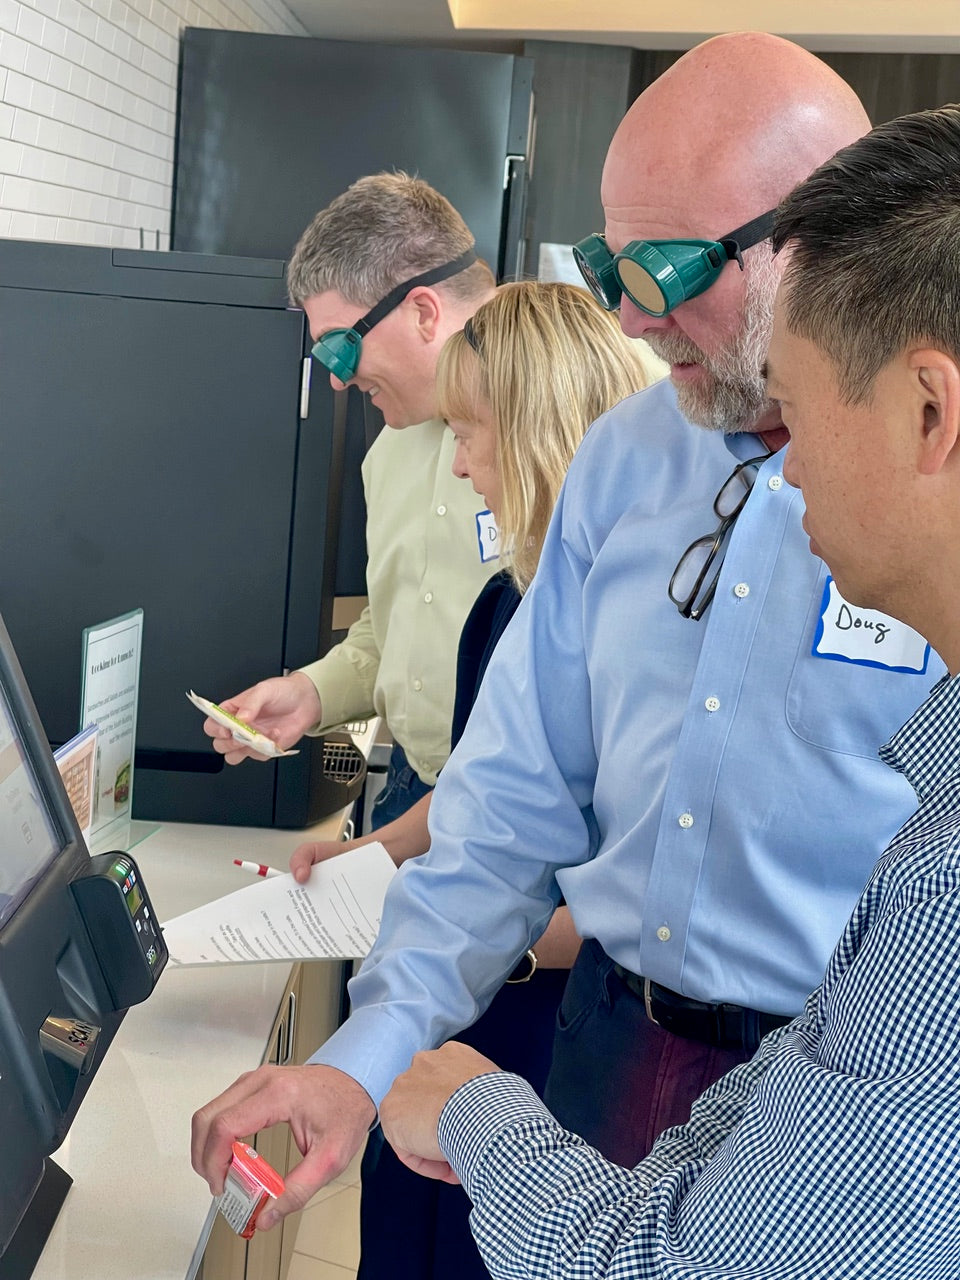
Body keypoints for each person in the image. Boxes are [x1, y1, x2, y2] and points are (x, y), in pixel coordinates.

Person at [191, 33, 944, 1228]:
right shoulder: (626, 462)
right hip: (605, 1036)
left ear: (833, 242)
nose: (635, 319)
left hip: (851, 1077)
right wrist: (364, 1054)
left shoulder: (923, 506)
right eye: (611, 267)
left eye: (670, 268)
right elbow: (510, 800)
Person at [378, 101, 960, 1280]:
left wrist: (476, 1111)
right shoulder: (931, 804)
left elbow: (665, 1263)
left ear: (929, 411)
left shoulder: (939, 895)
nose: (785, 471)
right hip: (638, 1035)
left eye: (805, 412)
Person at [290, 280, 659, 1279]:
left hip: (553, 1024)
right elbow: (484, 800)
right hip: (460, 991)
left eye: (468, 433)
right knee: (398, 1224)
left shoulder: (642, 633)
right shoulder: (507, 604)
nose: (457, 464)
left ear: (537, 433)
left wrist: (497, 939)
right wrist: (370, 855)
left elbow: (641, 898)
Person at [202, 173, 500, 828]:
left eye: (341, 345)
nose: (337, 380)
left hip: (527, 811)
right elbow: (398, 620)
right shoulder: (389, 449)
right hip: (415, 788)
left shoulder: (597, 415)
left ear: (423, 312)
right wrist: (313, 692)